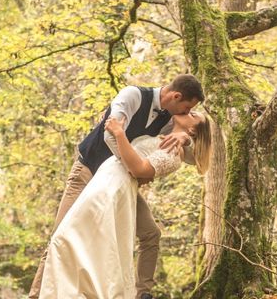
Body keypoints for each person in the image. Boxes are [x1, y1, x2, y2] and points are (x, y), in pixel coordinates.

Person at [28, 74, 205, 299]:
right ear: (176, 96)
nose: (185, 113)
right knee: (62, 234)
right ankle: (36, 295)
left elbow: (193, 153)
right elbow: (110, 135)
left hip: (121, 186)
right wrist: (134, 168)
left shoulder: (171, 119)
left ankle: (142, 293)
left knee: (150, 233)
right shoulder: (132, 95)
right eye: (187, 108)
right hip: (89, 172)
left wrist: (185, 139)